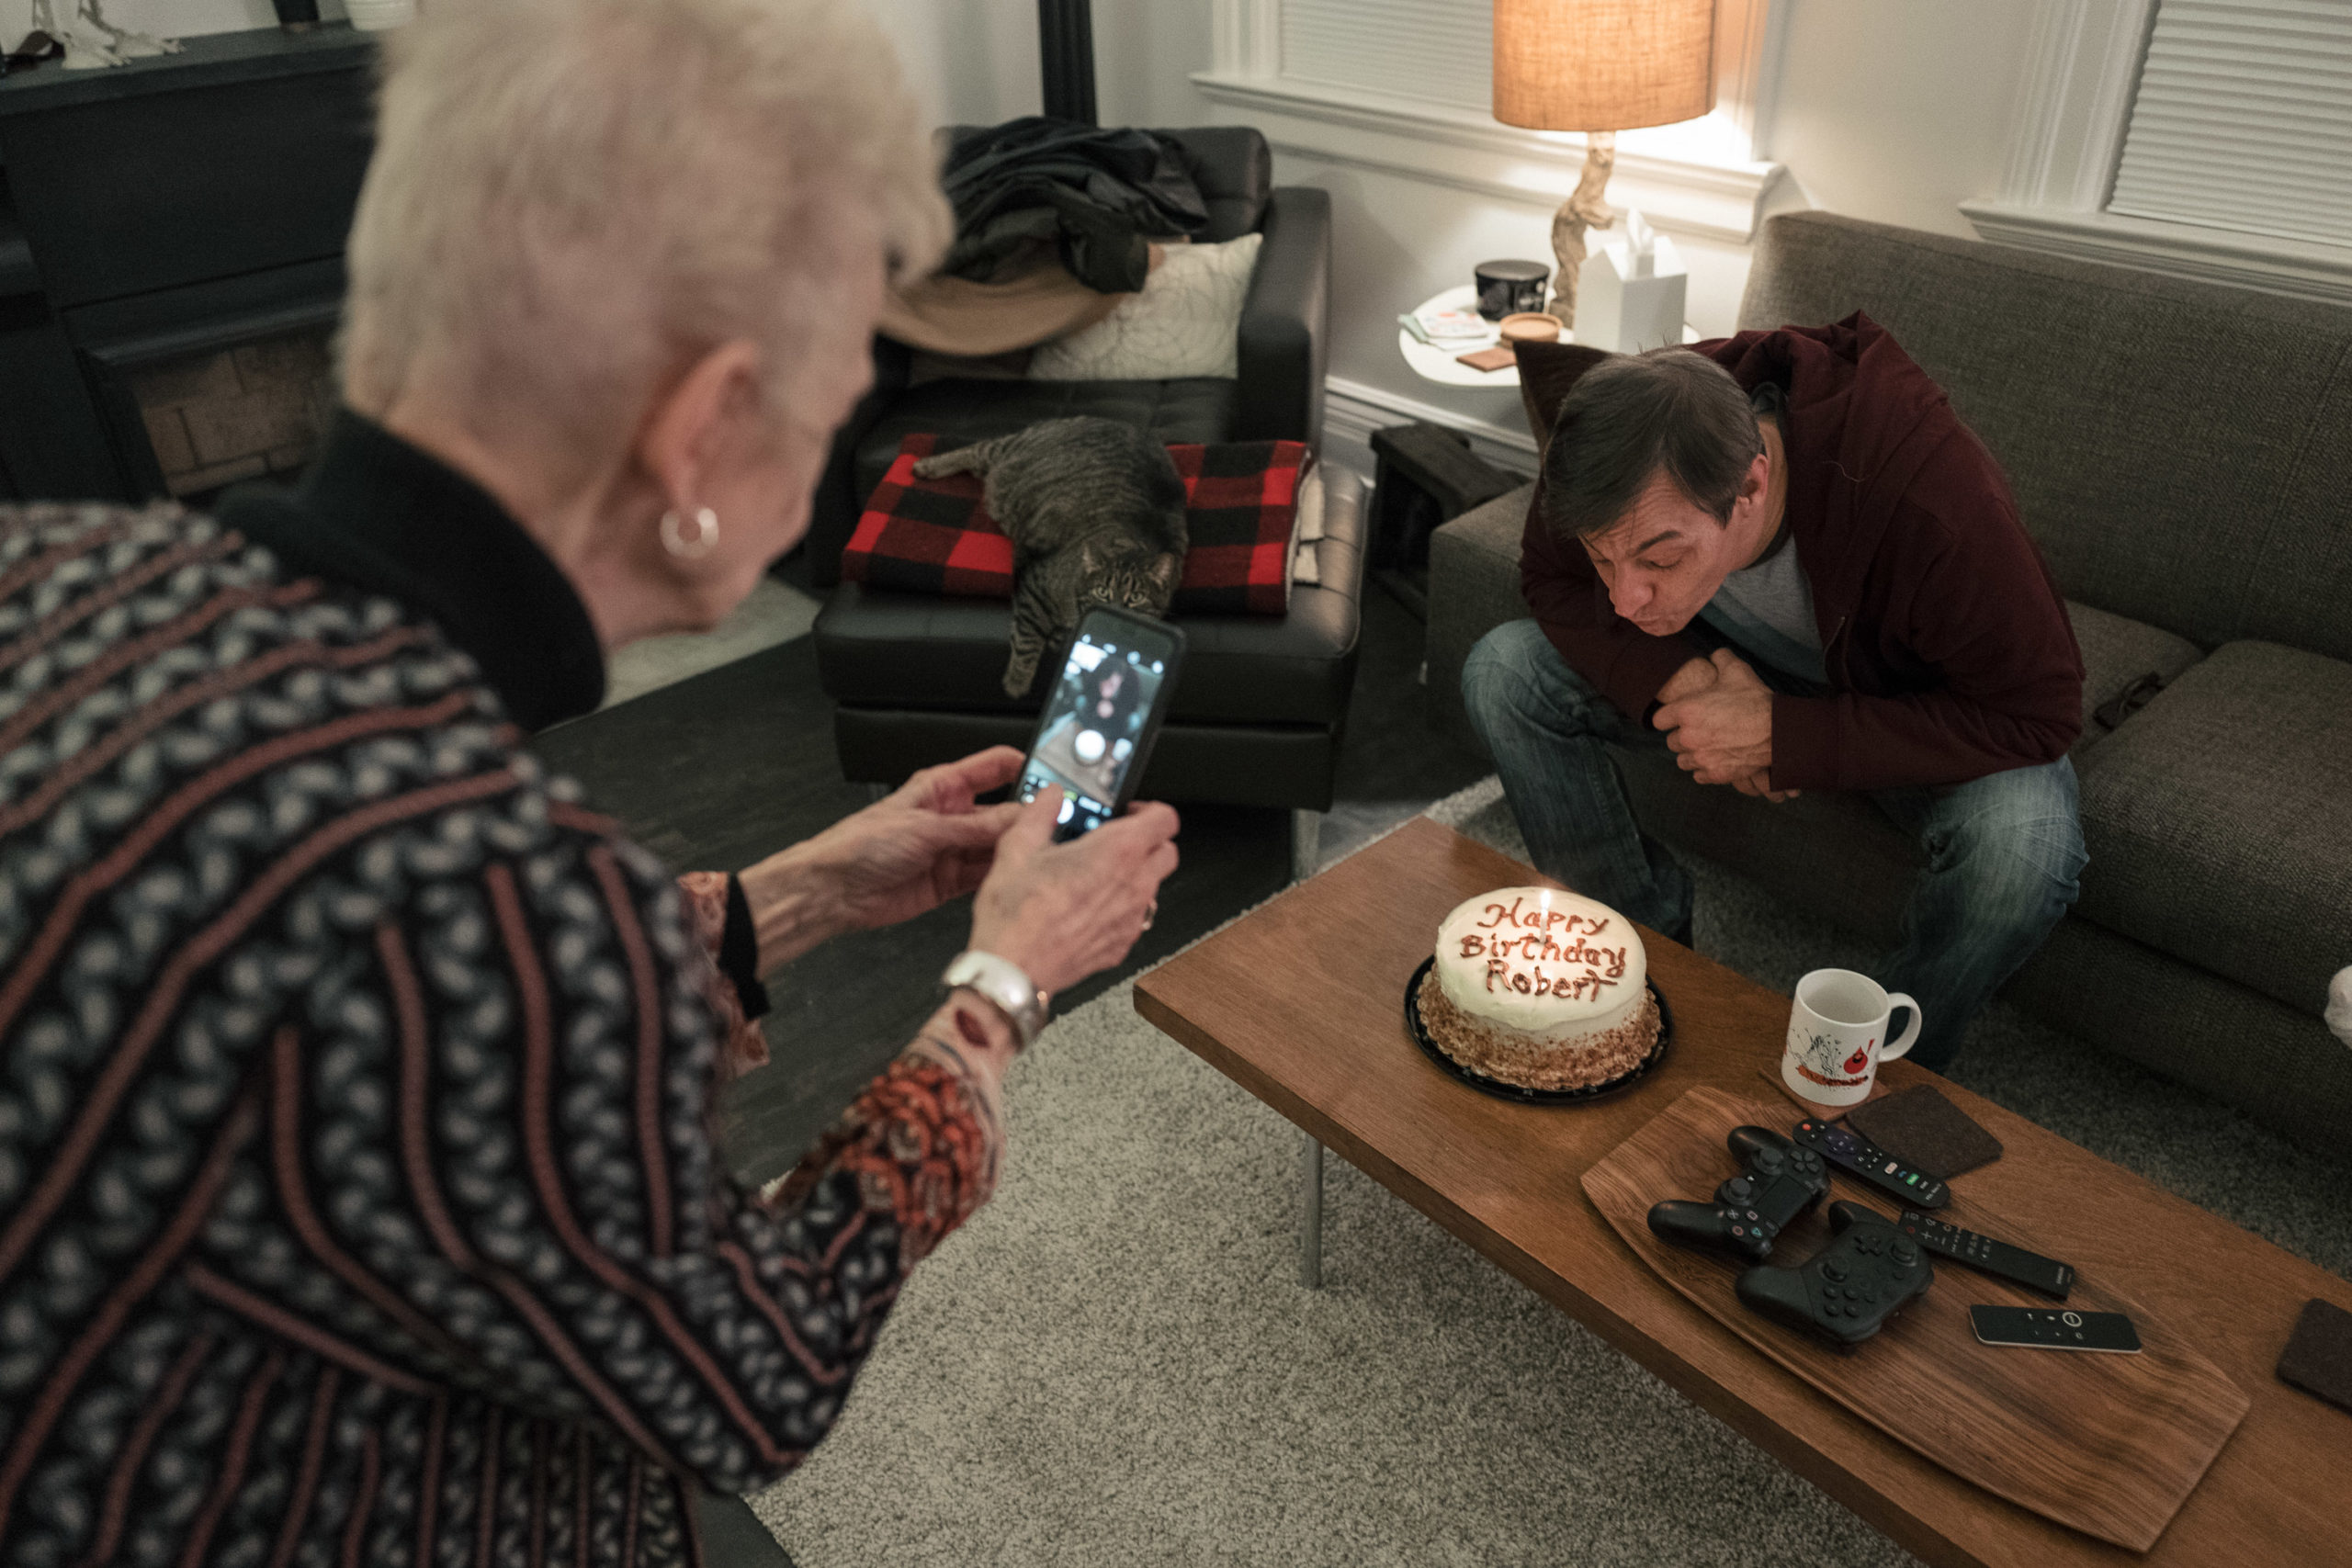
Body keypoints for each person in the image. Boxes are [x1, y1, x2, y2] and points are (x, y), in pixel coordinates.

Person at [0, 1, 1179, 1563]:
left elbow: (372, 1037)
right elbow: (746, 1374)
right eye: (834, 410)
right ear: (703, 436)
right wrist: (1004, 984)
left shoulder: (56, 563)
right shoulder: (486, 887)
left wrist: (804, 889)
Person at [1462, 319, 2086, 1071]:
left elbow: (2041, 712)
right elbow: (1550, 577)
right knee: (1504, 672)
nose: (1625, 598)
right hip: (1727, 660)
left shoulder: (1935, 501)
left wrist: (1783, 736)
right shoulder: (1615, 443)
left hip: (1904, 705)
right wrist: (1684, 679)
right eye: (1605, 557)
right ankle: (1644, 962)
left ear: (1751, 483)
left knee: (2027, 850)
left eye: (1660, 558)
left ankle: (1865, 1071)